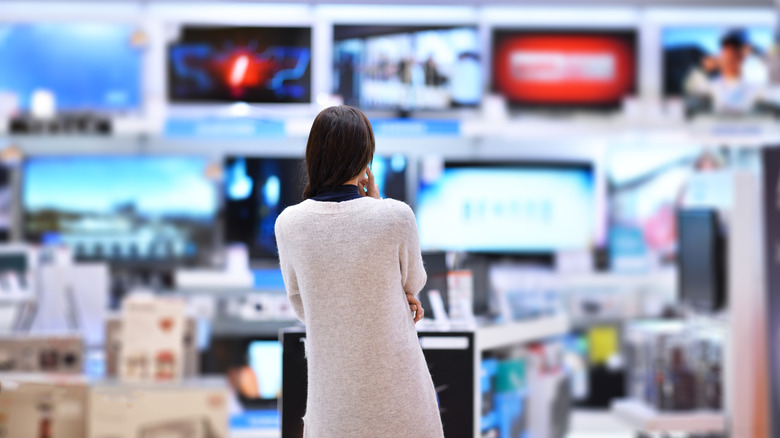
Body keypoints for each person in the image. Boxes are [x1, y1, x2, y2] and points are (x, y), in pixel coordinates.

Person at [274, 106, 444, 438]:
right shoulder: (395, 216)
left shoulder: (289, 224)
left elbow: (302, 307)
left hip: (333, 405)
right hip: (401, 400)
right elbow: (414, 282)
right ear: (365, 158)